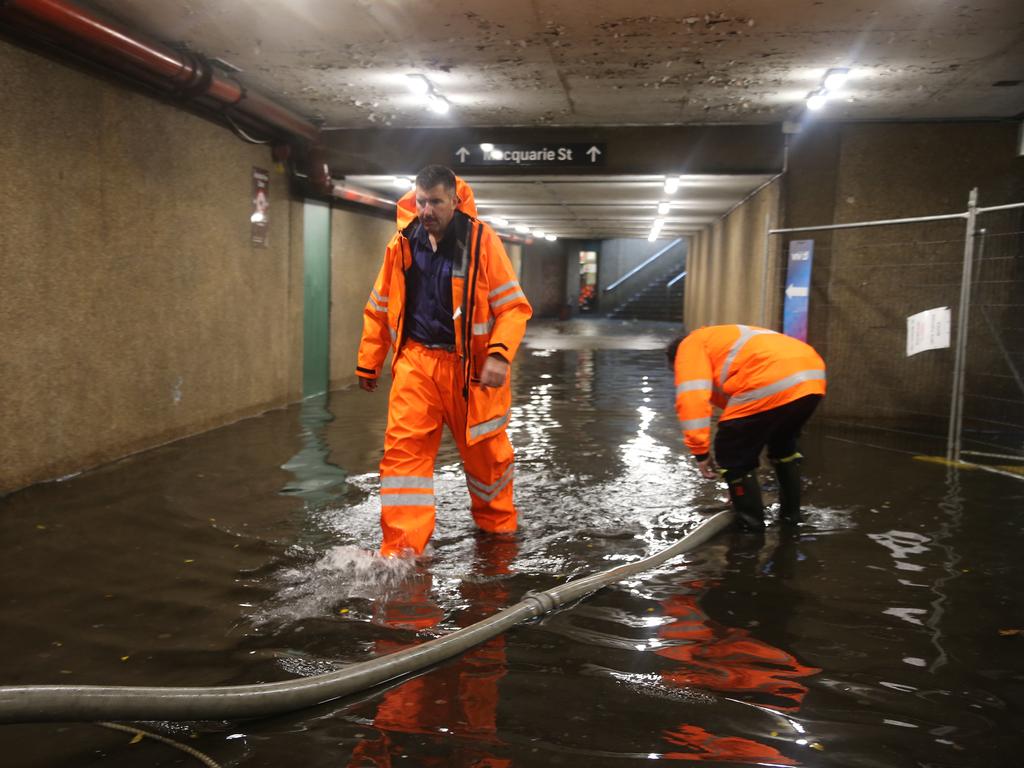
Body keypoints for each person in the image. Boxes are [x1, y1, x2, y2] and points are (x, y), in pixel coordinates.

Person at [357, 165, 532, 557]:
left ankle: (498, 534)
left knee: (487, 457)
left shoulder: (481, 242)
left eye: (435, 201)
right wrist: (370, 360)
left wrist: (500, 355)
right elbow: (379, 306)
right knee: (403, 456)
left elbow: (512, 308)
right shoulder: (401, 243)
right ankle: (402, 550)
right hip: (416, 363)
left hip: (469, 369)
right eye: (421, 201)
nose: (427, 210)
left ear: (454, 201)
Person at [666, 324, 826, 530]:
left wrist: (700, 452)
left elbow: (692, 398)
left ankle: (750, 526)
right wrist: (737, 485)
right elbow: (745, 411)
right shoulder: (720, 340)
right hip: (812, 379)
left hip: (771, 378)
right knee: (782, 448)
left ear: (675, 360)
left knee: (730, 450)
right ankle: (791, 518)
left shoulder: (689, 347)